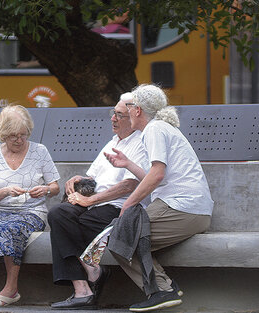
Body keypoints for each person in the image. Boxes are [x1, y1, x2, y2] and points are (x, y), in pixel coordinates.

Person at [104, 84, 214, 312]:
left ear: (137, 110)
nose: (125, 111)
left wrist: (129, 202)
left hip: (181, 208)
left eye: (129, 106)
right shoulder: (160, 129)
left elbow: (157, 174)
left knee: (121, 236)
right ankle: (166, 287)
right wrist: (129, 164)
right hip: (190, 210)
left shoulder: (154, 129)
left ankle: (162, 290)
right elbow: (156, 176)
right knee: (123, 234)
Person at [48, 93, 150, 310]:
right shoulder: (112, 141)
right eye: (112, 113)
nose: (112, 118)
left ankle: (87, 277)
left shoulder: (141, 142)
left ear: (133, 117)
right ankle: (85, 282)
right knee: (58, 214)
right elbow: (94, 178)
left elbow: (129, 186)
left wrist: (90, 200)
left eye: (119, 115)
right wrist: (79, 180)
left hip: (118, 208)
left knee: (75, 225)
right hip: (94, 204)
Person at [0, 105, 60, 309]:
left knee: (12, 228)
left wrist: (44, 189)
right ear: (3, 135)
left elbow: (55, 188)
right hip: (0, 210)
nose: (19, 140)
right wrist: (6, 191)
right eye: (13, 136)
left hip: (31, 211)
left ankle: (11, 290)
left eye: (23, 135)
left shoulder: (40, 151)